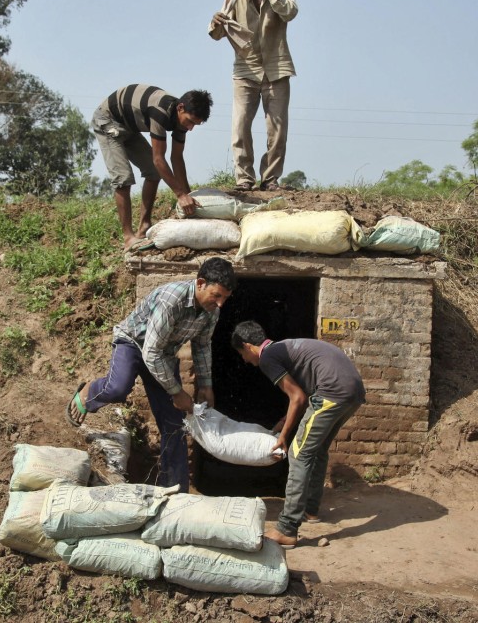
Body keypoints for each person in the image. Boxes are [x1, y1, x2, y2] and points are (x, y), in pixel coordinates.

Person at [66, 257, 237, 491]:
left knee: (175, 424)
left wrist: (206, 385)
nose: (220, 304)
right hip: (133, 344)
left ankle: (174, 490)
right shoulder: (172, 299)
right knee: (118, 388)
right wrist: (177, 391)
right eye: (216, 296)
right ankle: (89, 393)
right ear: (200, 283)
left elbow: (202, 346)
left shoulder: (211, 312)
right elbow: (151, 351)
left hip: (163, 354)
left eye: (225, 298)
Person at [231, 320, 365, 547]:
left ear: (247, 346)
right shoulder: (284, 348)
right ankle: (311, 510)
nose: (245, 361)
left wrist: (283, 435)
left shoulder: (267, 358)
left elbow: (298, 398)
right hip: (352, 393)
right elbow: (301, 396)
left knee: (297, 453)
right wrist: (284, 421)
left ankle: (287, 528)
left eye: (242, 354)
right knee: (317, 449)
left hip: (332, 392)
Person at [209, 0, 298, 192]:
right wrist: (216, 22)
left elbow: (289, 12)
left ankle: (270, 179)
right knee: (240, 125)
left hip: (277, 67)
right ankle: (244, 179)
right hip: (245, 69)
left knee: (277, 130)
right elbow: (217, 34)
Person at [92, 85, 213, 251]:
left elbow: (176, 158)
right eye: (190, 121)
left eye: (196, 125)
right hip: (109, 120)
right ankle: (128, 237)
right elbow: (158, 159)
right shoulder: (160, 112)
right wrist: (180, 194)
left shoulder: (181, 123)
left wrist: (188, 196)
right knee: (123, 177)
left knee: (154, 172)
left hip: (129, 126)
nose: (191, 128)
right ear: (180, 108)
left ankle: (144, 227)